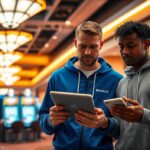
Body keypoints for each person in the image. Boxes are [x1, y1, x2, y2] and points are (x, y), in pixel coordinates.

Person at [39, 21, 122, 150]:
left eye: (93, 47)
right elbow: (44, 124)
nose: (87, 52)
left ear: (101, 44)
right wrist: (51, 121)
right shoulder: (58, 77)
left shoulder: (116, 80)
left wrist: (105, 123)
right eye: (82, 46)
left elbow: (122, 129)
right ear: (75, 43)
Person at [97, 21, 150, 150]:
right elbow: (120, 130)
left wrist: (143, 115)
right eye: (121, 46)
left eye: (131, 46)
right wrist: (105, 123)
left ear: (146, 44)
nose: (124, 51)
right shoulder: (122, 82)